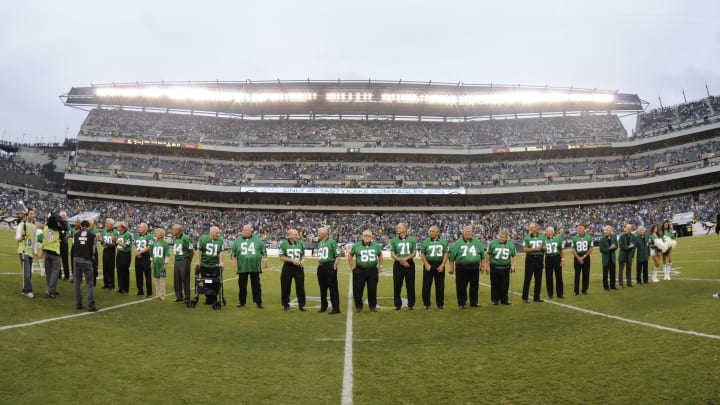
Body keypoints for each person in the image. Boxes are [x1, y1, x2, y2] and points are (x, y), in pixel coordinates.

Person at [448, 225, 485, 309]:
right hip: (462, 268)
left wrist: (482, 265)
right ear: (463, 233)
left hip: (474, 267)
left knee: (474, 286)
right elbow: (451, 257)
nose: (469, 233)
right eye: (467, 232)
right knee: (461, 286)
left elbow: (482, 255)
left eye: (470, 232)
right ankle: (462, 303)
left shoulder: (477, 242)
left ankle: (474, 302)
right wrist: (451, 268)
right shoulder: (457, 243)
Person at [231, 224, 267, 309]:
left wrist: (265, 260)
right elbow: (233, 252)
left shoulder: (257, 239)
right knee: (242, 285)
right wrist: (233, 261)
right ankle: (242, 302)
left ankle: (258, 302)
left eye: (247, 230)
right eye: (244, 230)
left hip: (254, 266)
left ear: (251, 231)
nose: (245, 231)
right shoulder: (237, 240)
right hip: (242, 266)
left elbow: (263, 250)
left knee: (256, 285)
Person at [349, 230, 383, 312]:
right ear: (362, 237)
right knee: (358, 290)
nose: (367, 237)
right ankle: (358, 306)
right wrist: (352, 267)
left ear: (371, 237)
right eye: (365, 235)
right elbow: (350, 256)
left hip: (372, 270)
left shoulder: (376, 246)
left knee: (372, 289)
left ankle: (372, 306)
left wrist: (380, 266)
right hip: (359, 270)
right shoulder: (356, 245)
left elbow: (380, 255)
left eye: (368, 236)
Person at [389, 223, 417, 311]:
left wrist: (406, 259)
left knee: (410, 285)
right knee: (397, 285)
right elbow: (392, 254)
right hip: (398, 264)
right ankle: (397, 305)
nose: (398, 228)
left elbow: (414, 253)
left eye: (400, 227)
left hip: (409, 263)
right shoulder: (393, 240)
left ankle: (411, 304)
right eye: (398, 227)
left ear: (405, 229)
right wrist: (401, 261)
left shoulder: (412, 239)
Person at [420, 225, 449, 310]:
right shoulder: (425, 241)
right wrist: (426, 263)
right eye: (430, 231)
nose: (431, 233)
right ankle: (426, 303)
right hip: (428, 264)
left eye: (433, 231)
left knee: (440, 285)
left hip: (439, 264)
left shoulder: (443, 241)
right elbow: (422, 253)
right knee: (426, 285)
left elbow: (446, 253)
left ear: (437, 232)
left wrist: (442, 264)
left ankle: (440, 304)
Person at [73, 219, 98, 312]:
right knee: (90, 283)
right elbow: (94, 250)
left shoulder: (76, 234)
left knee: (77, 283)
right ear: (88, 226)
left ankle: (78, 304)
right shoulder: (92, 235)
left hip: (76, 259)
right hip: (86, 260)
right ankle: (91, 305)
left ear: (81, 226)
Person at [195, 226, 224, 305]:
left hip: (215, 265)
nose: (218, 234)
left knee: (216, 283)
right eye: (216, 233)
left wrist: (221, 262)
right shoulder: (203, 239)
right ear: (211, 232)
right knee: (206, 282)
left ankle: (214, 298)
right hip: (204, 265)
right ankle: (208, 299)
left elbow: (221, 252)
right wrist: (197, 261)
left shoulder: (220, 240)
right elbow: (198, 251)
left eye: (218, 233)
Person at [486, 230, 516, 305]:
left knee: (505, 285)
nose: (501, 238)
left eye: (503, 237)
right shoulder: (493, 243)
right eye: (500, 237)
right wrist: (487, 266)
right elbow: (488, 255)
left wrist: (513, 264)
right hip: (494, 267)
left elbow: (514, 255)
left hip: (505, 268)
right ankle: (495, 300)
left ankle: (504, 299)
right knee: (495, 284)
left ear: (506, 238)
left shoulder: (510, 244)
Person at [279, 229, 306, 311]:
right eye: (295, 234)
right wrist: (293, 260)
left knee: (300, 286)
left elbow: (303, 254)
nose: (297, 236)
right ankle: (285, 304)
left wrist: (302, 261)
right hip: (288, 267)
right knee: (285, 286)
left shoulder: (300, 243)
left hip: (298, 268)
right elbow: (281, 257)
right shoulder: (284, 244)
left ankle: (301, 305)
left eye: (297, 234)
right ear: (290, 235)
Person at [316, 227, 341, 314]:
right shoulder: (320, 243)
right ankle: (324, 306)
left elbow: (338, 255)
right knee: (322, 288)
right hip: (321, 267)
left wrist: (334, 266)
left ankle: (336, 308)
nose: (318, 234)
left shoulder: (332, 242)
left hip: (329, 266)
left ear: (324, 233)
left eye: (319, 232)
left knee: (333, 288)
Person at [15, 208, 37, 298]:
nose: (33, 215)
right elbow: (17, 238)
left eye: (33, 214)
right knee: (27, 273)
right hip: (23, 252)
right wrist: (21, 235)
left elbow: (34, 240)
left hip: (30, 253)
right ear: (27, 215)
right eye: (31, 214)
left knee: (29, 274)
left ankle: (25, 289)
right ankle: (28, 291)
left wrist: (35, 251)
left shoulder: (34, 227)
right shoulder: (22, 224)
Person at [521, 223, 545, 303]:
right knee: (527, 278)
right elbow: (524, 249)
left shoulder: (542, 236)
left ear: (536, 228)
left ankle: (536, 297)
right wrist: (535, 249)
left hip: (539, 259)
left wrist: (541, 247)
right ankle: (525, 297)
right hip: (530, 259)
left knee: (538, 279)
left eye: (531, 227)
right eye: (529, 227)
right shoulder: (527, 237)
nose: (530, 229)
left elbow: (546, 248)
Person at [41, 212, 63, 298]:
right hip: (55, 253)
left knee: (49, 272)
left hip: (47, 252)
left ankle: (51, 291)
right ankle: (50, 290)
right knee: (55, 272)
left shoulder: (45, 228)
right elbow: (62, 229)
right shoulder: (57, 230)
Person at [171, 224, 194, 304]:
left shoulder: (186, 238)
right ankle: (179, 296)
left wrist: (188, 261)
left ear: (179, 230)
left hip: (184, 260)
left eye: (174, 229)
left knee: (185, 280)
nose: (172, 231)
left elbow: (191, 251)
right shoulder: (174, 238)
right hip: (177, 260)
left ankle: (187, 298)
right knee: (177, 280)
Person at [571, 223, 593, 296]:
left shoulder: (589, 237)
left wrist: (583, 257)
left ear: (584, 229)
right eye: (578, 228)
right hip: (577, 257)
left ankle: (584, 289)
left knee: (586, 274)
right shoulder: (574, 238)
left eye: (580, 228)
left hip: (586, 257)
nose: (579, 229)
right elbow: (573, 249)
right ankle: (576, 291)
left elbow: (590, 248)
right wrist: (578, 257)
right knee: (577, 275)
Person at [543, 226, 565, 299]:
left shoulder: (558, 238)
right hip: (548, 258)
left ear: (552, 232)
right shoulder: (544, 239)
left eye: (548, 231)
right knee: (548, 277)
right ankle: (550, 294)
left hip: (556, 257)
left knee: (559, 276)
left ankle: (560, 294)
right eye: (546, 231)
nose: (546, 233)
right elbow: (542, 252)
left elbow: (561, 249)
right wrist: (543, 262)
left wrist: (562, 259)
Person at [133, 222, 153, 297]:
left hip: (146, 257)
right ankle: (140, 290)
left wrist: (140, 252)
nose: (139, 228)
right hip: (138, 257)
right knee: (138, 274)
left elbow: (149, 246)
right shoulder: (137, 235)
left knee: (147, 275)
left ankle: (149, 292)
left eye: (140, 227)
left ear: (145, 228)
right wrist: (136, 253)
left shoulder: (149, 236)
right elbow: (134, 245)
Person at [150, 228, 169, 301]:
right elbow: (152, 253)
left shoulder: (165, 243)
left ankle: (162, 295)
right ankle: (157, 294)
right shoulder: (154, 243)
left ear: (161, 235)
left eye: (157, 233)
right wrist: (151, 262)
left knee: (162, 280)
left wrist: (166, 264)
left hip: (161, 263)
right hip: (155, 263)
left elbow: (167, 254)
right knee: (156, 279)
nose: (156, 234)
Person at [99, 218, 118, 290]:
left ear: (112, 225)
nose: (106, 225)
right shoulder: (104, 231)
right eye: (106, 223)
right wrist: (101, 241)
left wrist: (105, 243)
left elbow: (115, 244)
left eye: (108, 223)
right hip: (105, 250)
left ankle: (111, 284)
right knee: (105, 268)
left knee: (110, 268)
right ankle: (106, 283)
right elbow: (102, 243)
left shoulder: (115, 233)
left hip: (111, 251)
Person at [115, 222, 133, 294]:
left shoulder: (127, 234)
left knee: (125, 271)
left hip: (125, 254)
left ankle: (125, 289)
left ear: (123, 228)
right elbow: (118, 246)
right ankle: (120, 287)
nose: (117, 228)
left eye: (119, 227)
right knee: (119, 271)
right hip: (119, 253)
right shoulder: (119, 234)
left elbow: (125, 245)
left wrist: (117, 241)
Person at [598, 225, 617, 291]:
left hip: (612, 258)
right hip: (606, 259)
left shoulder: (614, 237)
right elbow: (601, 250)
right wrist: (609, 248)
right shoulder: (602, 239)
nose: (605, 231)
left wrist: (614, 247)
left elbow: (616, 246)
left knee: (613, 273)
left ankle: (613, 286)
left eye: (607, 230)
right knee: (605, 274)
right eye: (605, 230)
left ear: (610, 231)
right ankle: (606, 287)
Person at [58, 211, 70, 280]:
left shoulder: (67, 224)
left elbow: (69, 232)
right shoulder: (58, 224)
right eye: (62, 215)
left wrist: (67, 237)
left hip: (64, 244)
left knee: (65, 260)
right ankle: (59, 274)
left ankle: (66, 275)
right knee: (57, 261)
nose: (63, 216)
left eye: (64, 215)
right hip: (58, 244)